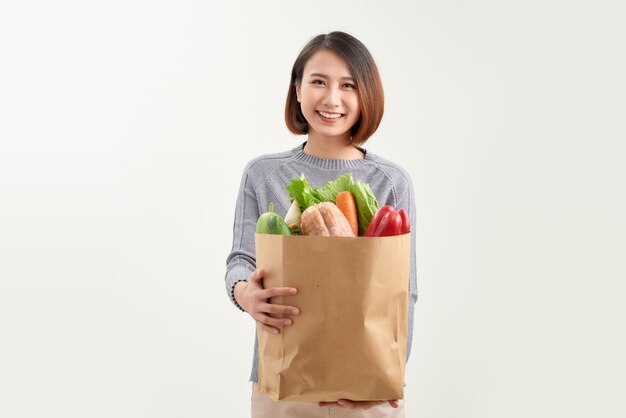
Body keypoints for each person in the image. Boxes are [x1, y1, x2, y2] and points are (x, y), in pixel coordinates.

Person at [225, 31, 417, 417]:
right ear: (297, 89)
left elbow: (402, 292)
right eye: (318, 82)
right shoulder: (263, 174)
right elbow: (241, 260)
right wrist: (245, 294)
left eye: (348, 85)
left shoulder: (391, 181)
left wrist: (389, 374)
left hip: (364, 386)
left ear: (366, 96)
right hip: (284, 379)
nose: (332, 99)